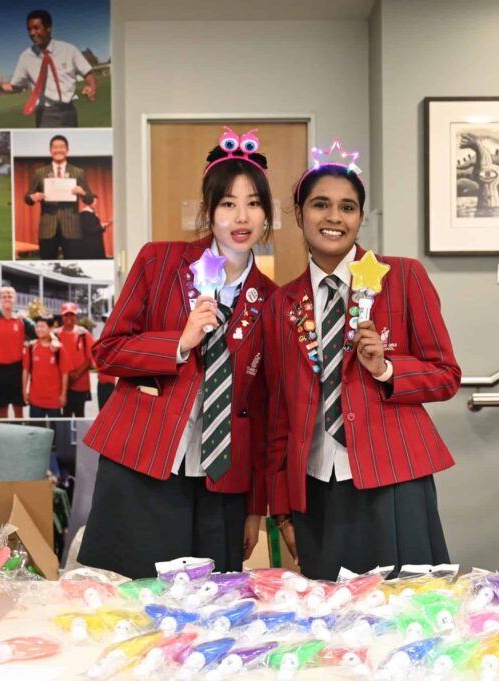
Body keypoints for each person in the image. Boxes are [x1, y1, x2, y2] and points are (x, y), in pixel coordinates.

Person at [80, 128, 277, 577]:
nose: (241, 216)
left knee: (211, 601)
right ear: (208, 211)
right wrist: (179, 342)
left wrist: (255, 507)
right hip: (146, 461)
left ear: (267, 214)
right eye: (227, 203)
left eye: (253, 203)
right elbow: (107, 351)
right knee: (134, 597)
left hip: (221, 479)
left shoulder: (272, 298)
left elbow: (264, 408)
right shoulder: (160, 262)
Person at [263, 146, 462, 580]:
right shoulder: (282, 303)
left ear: (360, 217)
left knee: (408, 605)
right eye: (321, 204)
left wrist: (386, 370)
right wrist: (281, 509)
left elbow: (446, 376)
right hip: (316, 486)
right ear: (300, 214)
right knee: (332, 612)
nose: (334, 217)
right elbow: (278, 412)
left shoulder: (402, 277)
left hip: (395, 477)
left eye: (347, 207)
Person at [2, 9, 96, 127]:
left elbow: (87, 73)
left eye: (36, 28)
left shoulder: (69, 50)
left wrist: (92, 86)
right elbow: (16, 86)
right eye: (29, 29)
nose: (32, 33)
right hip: (45, 115)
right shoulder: (25, 57)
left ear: (49, 28)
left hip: (69, 111)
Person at [23, 135, 93, 259]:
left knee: (73, 261)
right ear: (50, 150)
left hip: (71, 228)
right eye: (55, 147)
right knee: (46, 261)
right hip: (47, 228)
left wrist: (82, 192)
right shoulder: (40, 173)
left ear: (67, 150)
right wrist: (32, 197)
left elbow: (90, 198)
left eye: (61, 147)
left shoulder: (78, 172)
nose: (58, 150)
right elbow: (27, 197)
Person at [0, 287, 35, 418]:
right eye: (4, 297)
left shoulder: (22, 319)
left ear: (15, 299)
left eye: (10, 297)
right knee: (2, 410)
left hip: (16, 369)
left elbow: (40, 331)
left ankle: (19, 431)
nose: (7, 299)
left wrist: (53, 339)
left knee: (18, 409)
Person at [22, 314, 69, 418]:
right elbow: (25, 370)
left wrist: (63, 394)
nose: (39, 329)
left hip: (54, 400)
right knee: (36, 427)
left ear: (50, 328)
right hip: (35, 400)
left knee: (56, 427)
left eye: (42, 326)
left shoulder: (59, 349)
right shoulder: (31, 347)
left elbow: (65, 373)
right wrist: (24, 391)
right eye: (37, 326)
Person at [56, 302, 93, 418]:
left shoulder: (84, 334)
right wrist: (67, 376)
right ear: (62, 317)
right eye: (66, 315)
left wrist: (76, 374)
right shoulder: (55, 334)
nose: (69, 317)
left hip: (80, 382)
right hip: (62, 383)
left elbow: (90, 358)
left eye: (72, 315)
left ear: (76, 316)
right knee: (65, 415)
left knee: (79, 414)